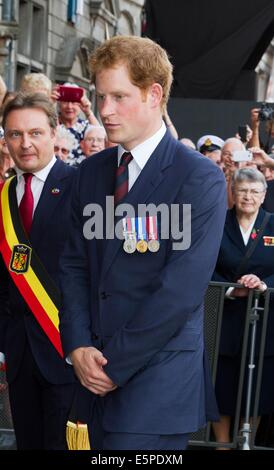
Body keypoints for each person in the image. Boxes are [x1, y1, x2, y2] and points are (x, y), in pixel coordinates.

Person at [59, 35, 227, 451]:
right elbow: (75, 265)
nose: (105, 110)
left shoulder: (198, 178)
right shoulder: (91, 173)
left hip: (155, 385)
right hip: (88, 381)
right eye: (101, 96)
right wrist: (78, 345)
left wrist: (113, 366)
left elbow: (180, 290)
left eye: (119, 96)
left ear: (155, 94)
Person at [0, 93, 76, 449]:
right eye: (15, 134)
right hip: (18, 356)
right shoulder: (4, 196)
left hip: (68, 354)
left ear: (54, 132)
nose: (25, 143)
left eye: (35, 132)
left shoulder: (81, 189)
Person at [212, 168, 274, 447]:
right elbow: (204, 266)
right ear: (232, 194)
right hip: (225, 317)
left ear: (263, 196)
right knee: (222, 384)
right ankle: (223, 443)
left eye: (254, 191)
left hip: (264, 319)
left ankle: (245, 442)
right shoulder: (216, 224)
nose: (247, 197)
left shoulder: (272, 226)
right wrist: (230, 288)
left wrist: (263, 284)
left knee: (257, 386)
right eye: (242, 191)